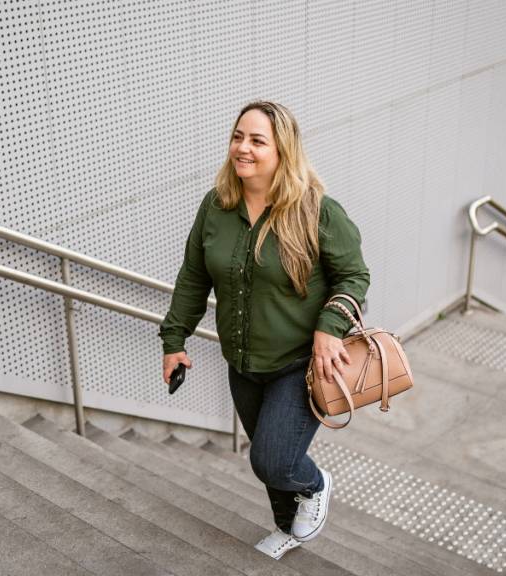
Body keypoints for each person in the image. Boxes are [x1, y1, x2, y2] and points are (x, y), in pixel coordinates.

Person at [158, 101, 370, 560]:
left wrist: (329, 328)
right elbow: (193, 276)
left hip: (300, 364)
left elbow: (354, 277)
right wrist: (174, 340)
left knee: (273, 458)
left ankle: (316, 484)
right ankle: (286, 528)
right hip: (242, 363)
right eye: (238, 137)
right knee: (269, 462)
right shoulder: (217, 207)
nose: (243, 148)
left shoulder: (318, 211)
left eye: (257, 140)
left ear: (282, 151)